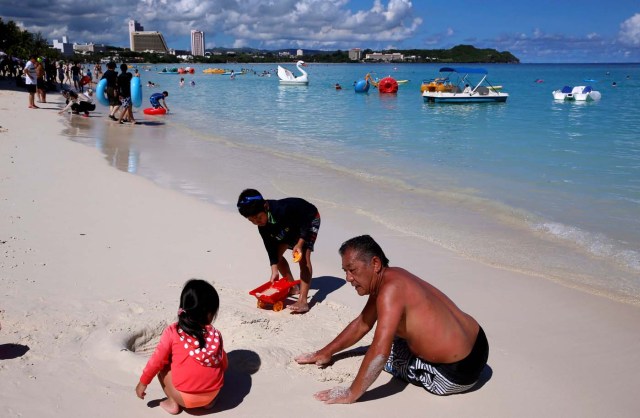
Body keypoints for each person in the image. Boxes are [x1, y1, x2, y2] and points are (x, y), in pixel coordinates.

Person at [296, 235, 489, 403]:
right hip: (478, 341)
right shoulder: (392, 276)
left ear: (375, 264)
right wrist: (325, 352)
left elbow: (380, 352)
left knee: (389, 356)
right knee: (398, 333)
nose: (348, 278)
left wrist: (351, 393)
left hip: (456, 374)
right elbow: (363, 323)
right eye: (345, 271)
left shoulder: (389, 292)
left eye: (352, 270)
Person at [136, 279, 227, 414]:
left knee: (163, 365)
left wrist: (143, 382)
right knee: (218, 360)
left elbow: (156, 361)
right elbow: (224, 362)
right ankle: (208, 403)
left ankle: (173, 402)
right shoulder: (215, 334)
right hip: (214, 393)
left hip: (185, 399)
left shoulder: (173, 331)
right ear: (210, 314)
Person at [237, 189, 320, 313]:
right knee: (277, 256)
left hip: (308, 219)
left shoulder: (282, 209)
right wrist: (274, 269)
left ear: (265, 206)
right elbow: (269, 246)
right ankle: (293, 288)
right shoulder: (262, 225)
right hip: (287, 226)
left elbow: (304, 224)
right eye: (251, 220)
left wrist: (299, 244)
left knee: (303, 256)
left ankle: (303, 301)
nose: (256, 222)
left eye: (258, 218)